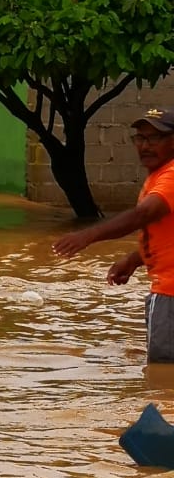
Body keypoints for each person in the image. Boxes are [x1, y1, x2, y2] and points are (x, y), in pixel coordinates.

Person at [52, 107, 174, 363]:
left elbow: (143, 215)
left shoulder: (170, 178)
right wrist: (133, 260)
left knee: (162, 377)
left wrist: (89, 235)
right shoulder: (159, 176)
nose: (145, 146)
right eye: (139, 138)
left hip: (169, 294)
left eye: (154, 138)